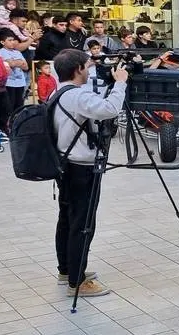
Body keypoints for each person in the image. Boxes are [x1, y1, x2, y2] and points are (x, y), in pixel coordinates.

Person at [52, 49, 128, 296]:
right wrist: (120, 84)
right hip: (81, 169)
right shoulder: (76, 96)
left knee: (67, 219)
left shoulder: (58, 92)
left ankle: (67, 270)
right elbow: (109, 109)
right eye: (88, 66)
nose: (90, 70)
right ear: (78, 70)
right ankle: (78, 282)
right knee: (82, 224)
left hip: (65, 166)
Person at [0, 29, 28, 114]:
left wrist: (14, 63)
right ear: (2, 42)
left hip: (20, 83)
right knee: (9, 106)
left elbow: (26, 67)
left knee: (19, 106)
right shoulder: (1, 52)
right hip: (9, 83)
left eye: (13, 40)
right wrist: (18, 62)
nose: (13, 42)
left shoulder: (17, 52)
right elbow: (10, 63)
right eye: (10, 40)